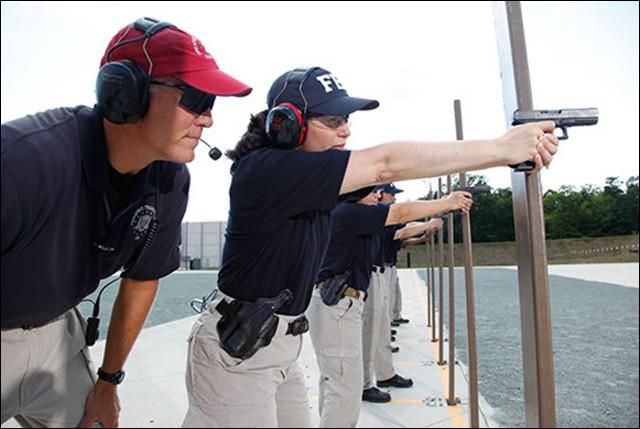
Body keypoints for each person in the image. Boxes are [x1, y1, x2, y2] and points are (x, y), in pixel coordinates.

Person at [182, 65, 559, 427]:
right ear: (287, 125)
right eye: (332, 121)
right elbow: (385, 164)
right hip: (240, 350)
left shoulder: (306, 175)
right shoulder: (267, 169)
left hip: (275, 344)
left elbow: (392, 184)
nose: (345, 131)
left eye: (347, 120)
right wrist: (502, 147)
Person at [1, 17, 251, 428]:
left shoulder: (170, 180)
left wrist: (108, 381)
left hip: (56, 334)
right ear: (124, 92)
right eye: (197, 99)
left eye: (212, 104)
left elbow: (141, 280)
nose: (208, 120)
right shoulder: (21, 162)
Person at [308, 187, 469, 426]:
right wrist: (447, 202)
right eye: (372, 192)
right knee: (344, 388)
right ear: (355, 194)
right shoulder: (350, 212)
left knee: (337, 383)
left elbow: (397, 229)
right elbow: (400, 213)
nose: (377, 197)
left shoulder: (348, 213)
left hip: (338, 303)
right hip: (338, 303)